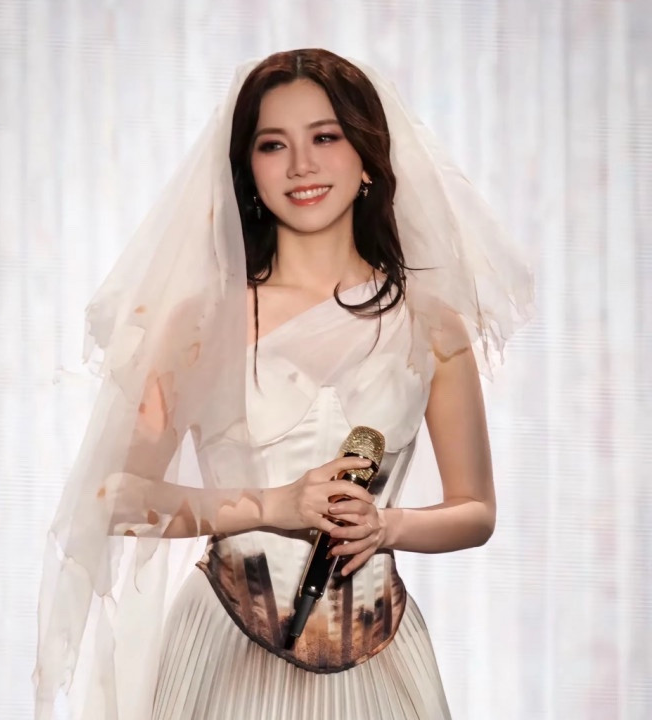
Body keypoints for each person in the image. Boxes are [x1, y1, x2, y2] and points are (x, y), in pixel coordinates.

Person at [34, 49, 533, 720]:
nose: (301, 165)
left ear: (367, 158)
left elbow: (476, 511)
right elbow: (114, 498)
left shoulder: (429, 321)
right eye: (273, 145)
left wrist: (386, 525)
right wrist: (273, 505)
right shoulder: (202, 322)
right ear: (247, 169)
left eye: (325, 137)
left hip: (379, 651)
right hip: (224, 650)